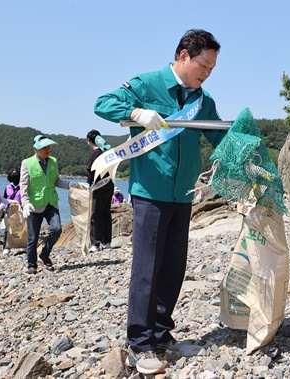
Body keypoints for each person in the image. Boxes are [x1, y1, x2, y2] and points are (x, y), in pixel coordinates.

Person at [94, 29, 226, 375]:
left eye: (212, 68)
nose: (207, 72)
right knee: (146, 268)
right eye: (203, 64)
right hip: (150, 193)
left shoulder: (203, 100)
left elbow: (220, 138)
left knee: (173, 265)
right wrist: (137, 113)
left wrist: (248, 154)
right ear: (184, 55)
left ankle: (161, 331)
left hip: (183, 195)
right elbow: (102, 103)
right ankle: (140, 342)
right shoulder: (148, 83)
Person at [20, 135, 74, 274]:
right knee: (33, 238)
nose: (47, 149)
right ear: (35, 149)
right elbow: (23, 186)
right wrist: (25, 203)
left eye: (48, 146)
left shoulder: (53, 161)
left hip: (51, 202)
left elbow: (56, 181)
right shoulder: (27, 163)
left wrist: (70, 185)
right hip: (34, 205)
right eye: (43, 147)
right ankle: (32, 265)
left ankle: (45, 253)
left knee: (57, 229)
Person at [86, 129, 114, 252]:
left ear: (89, 141)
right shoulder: (106, 152)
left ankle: (95, 243)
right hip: (109, 184)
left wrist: (87, 186)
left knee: (96, 215)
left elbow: (91, 172)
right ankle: (106, 242)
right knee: (106, 214)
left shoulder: (95, 154)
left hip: (99, 186)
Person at [1, 169, 22, 254]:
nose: (15, 176)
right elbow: (3, 199)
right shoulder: (7, 187)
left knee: (21, 228)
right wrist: (1, 211)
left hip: (20, 210)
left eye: (16, 174)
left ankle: (23, 245)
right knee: (7, 230)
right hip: (9, 211)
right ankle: (6, 247)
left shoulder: (23, 187)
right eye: (13, 175)